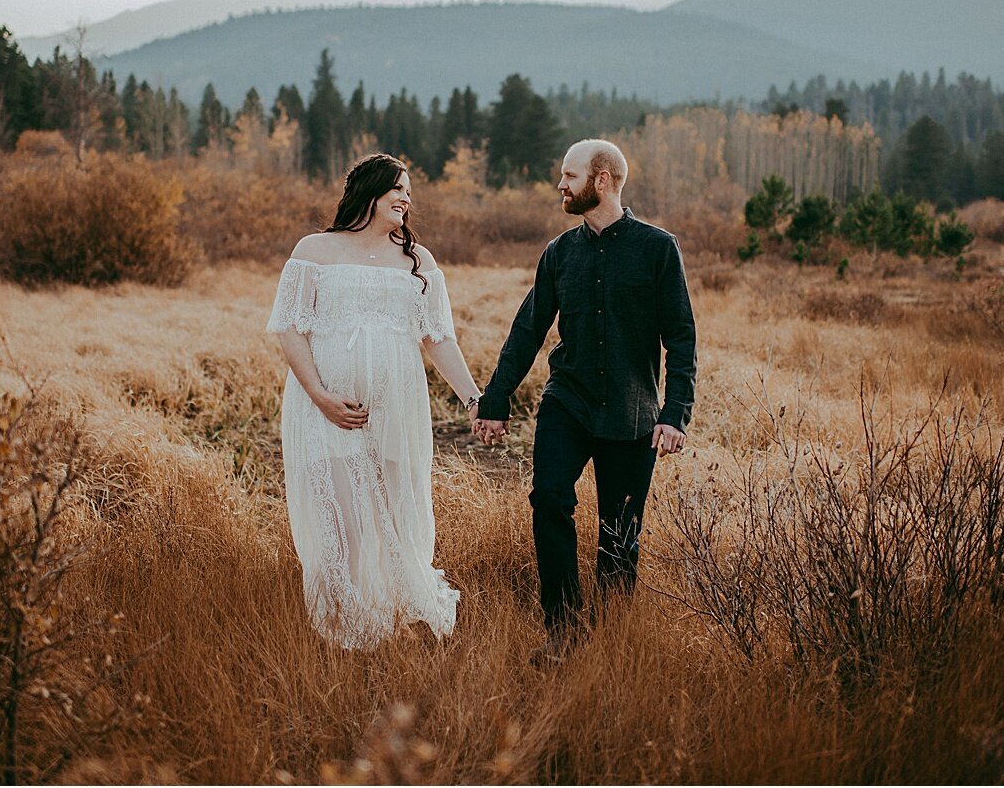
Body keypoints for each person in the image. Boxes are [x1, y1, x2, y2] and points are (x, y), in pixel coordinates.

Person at [472, 139, 696, 664]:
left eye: (569, 176)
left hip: (633, 413)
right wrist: (495, 399)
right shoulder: (559, 253)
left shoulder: (658, 249)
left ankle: (613, 640)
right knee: (549, 499)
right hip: (566, 403)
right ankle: (564, 630)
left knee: (619, 536)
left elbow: (681, 337)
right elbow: (528, 330)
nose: (560, 185)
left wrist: (674, 414)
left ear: (600, 181)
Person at [267, 153, 482, 649]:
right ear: (370, 191)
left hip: (394, 413)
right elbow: (291, 330)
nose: (407, 199)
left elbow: (438, 339)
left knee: (394, 515)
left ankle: (390, 621)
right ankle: (348, 630)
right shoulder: (315, 250)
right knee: (342, 525)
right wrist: (320, 395)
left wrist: (474, 399)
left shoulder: (417, 260)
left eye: (409, 191)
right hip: (326, 411)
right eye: (399, 189)